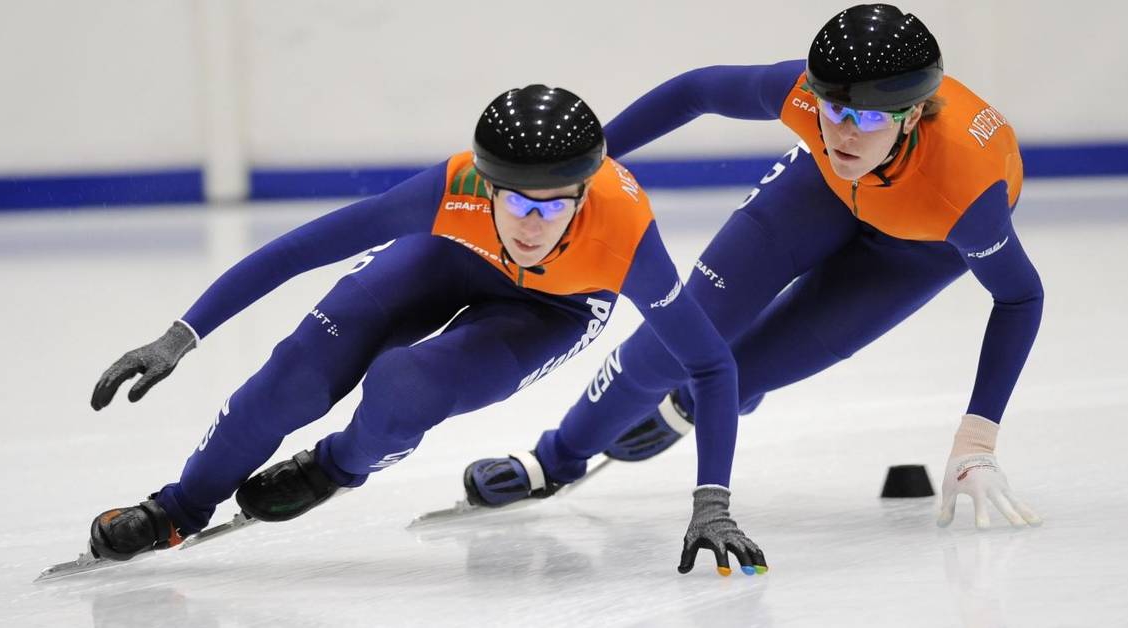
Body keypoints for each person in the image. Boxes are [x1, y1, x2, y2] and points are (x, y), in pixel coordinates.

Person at [86, 85, 766, 576]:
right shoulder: (454, 187)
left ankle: (336, 466)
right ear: (486, 185)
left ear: (585, 194)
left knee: (404, 386)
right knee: (294, 375)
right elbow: (300, 249)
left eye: (552, 207)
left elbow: (711, 365)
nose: (531, 226)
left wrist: (712, 503)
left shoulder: (625, 237)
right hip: (451, 255)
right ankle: (178, 507)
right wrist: (182, 334)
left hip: (553, 309)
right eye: (515, 201)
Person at [468, 4, 1044, 532]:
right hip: (822, 188)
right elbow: (696, 90)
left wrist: (977, 440)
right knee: (672, 344)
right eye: (834, 110)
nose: (844, 132)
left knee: (738, 375)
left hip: (921, 244)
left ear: (913, 114)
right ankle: (553, 459)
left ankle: (689, 406)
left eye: (869, 119)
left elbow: (1020, 297)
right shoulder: (805, 99)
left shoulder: (966, 197)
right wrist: (580, 166)